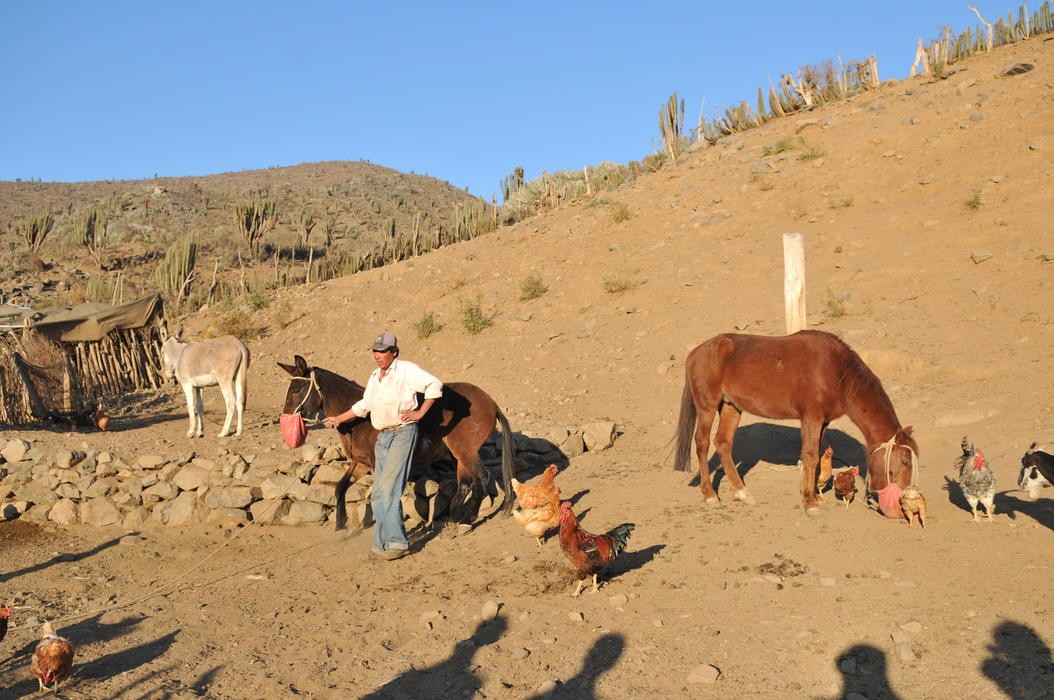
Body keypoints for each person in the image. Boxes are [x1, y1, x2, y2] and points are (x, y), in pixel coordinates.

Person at [323, 331, 443, 560]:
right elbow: (364, 405)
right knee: (378, 493)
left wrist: (419, 412)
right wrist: (338, 419)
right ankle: (380, 545)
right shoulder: (375, 376)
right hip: (383, 437)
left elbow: (434, 385)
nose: (377, 355)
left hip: (402, 433)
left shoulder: (406, 370)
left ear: (394, 352)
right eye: (375, 351)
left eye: (382, 351)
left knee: (389, 489)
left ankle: (397, 543)